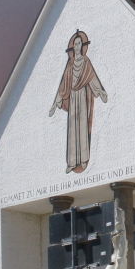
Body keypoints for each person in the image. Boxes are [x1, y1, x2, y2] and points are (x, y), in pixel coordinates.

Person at [49, 30, 108, 173]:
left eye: (79, 44)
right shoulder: (70, 65)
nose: (77, 46)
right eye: (75, 44)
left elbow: (91, 77)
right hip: (73, 98)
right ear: (73, 46)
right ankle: (72, 162)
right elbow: (63, 85)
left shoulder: (86, 62)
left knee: (82, 127)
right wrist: (55, 103)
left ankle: (83, 159)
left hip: (82, 97)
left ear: (82, 46)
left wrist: (100, 91)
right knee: (72, 130)